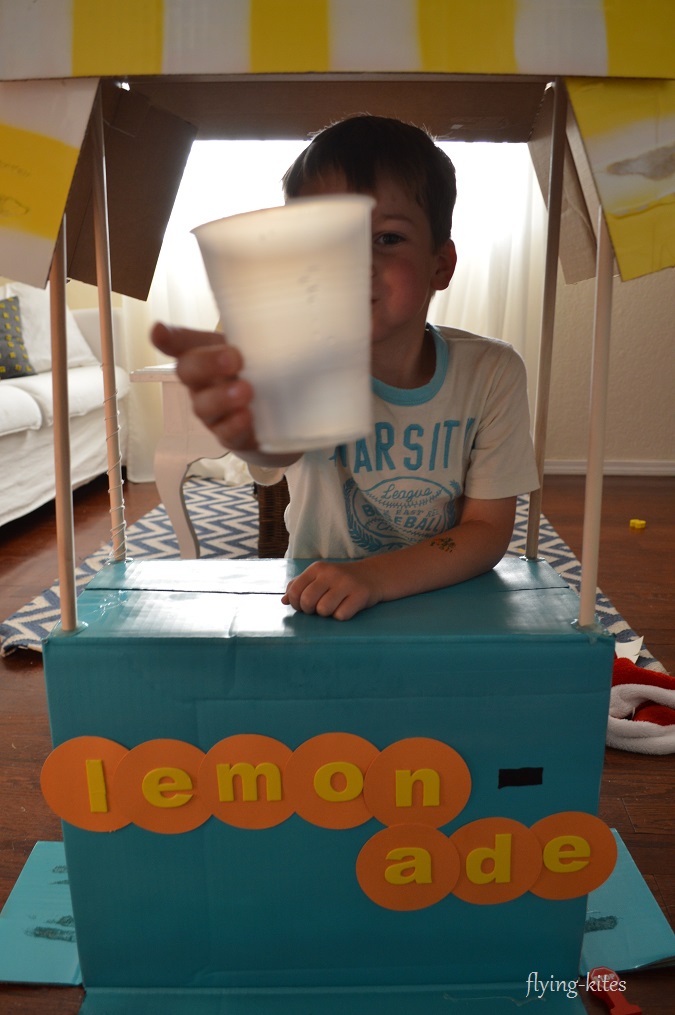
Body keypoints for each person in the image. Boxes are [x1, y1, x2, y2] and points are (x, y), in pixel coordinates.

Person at [152, 114, 539, 621]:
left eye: (387, 238)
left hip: (445, 598)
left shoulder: (492, 372)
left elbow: (487, 530)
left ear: (440, 265)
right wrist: (248, 421)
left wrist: (376, 578)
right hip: (321, 604)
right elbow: (276, 445)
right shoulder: (300, 362)